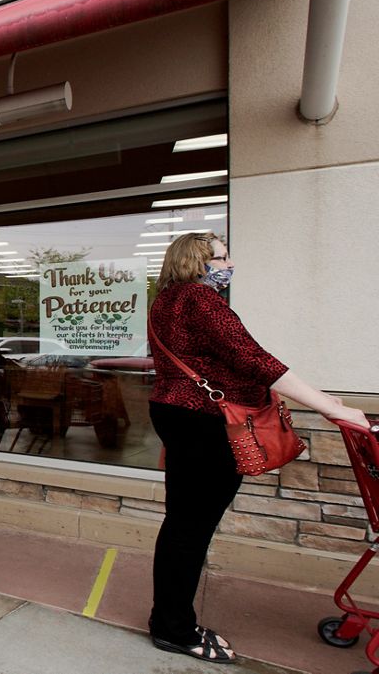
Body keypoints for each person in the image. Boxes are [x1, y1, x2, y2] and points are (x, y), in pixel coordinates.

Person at [146, 232, 367, 663]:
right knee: (190, 530)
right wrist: (329, 406)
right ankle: (173, 629)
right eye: (222, 256)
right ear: (197, 261)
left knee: (181, 526)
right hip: (206, 423)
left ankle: (169, 620)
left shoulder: (165, 300)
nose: (229, 263)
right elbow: (255, 359)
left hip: (178, 415)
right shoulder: (199, 299)